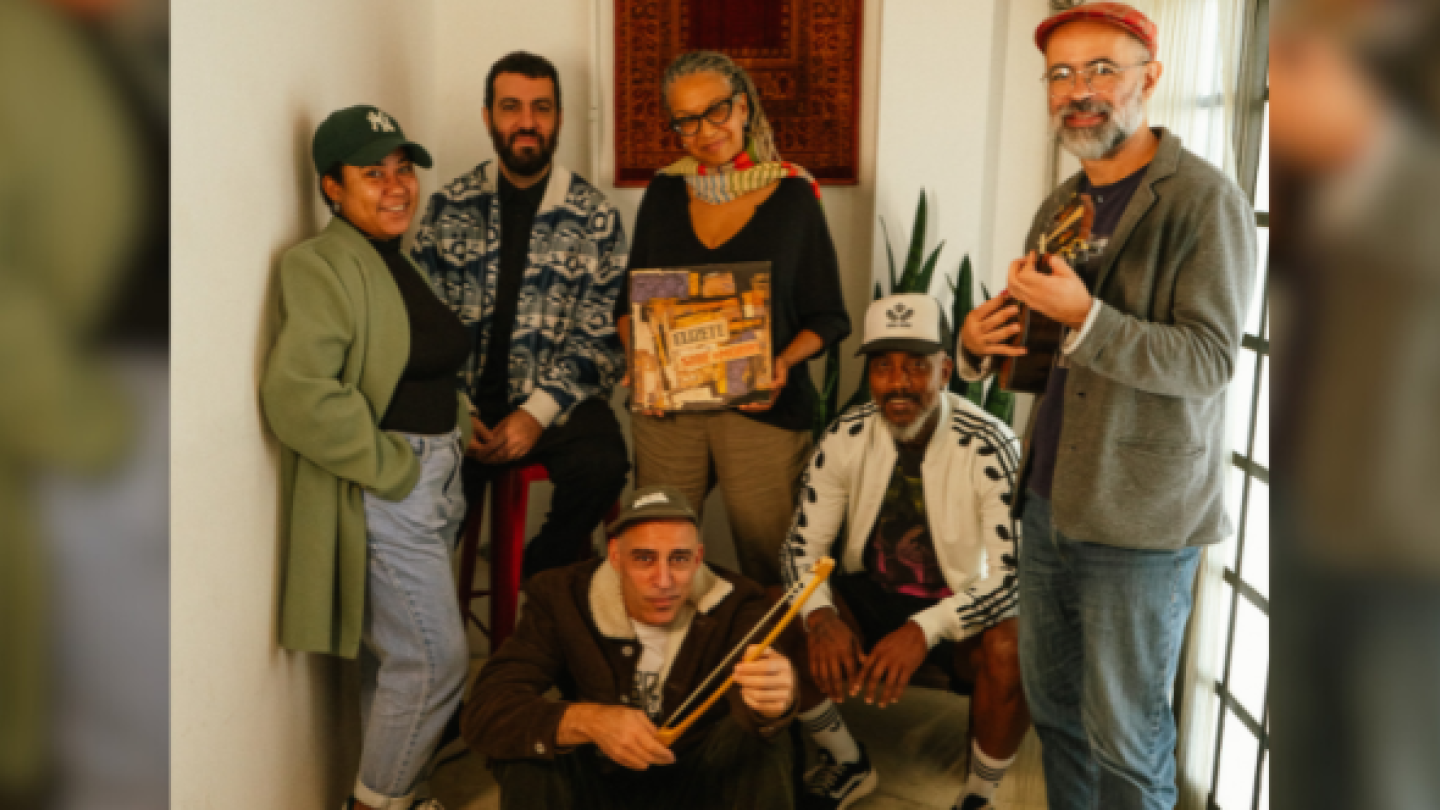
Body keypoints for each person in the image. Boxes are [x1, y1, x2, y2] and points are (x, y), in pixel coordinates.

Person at [958, 5, 1256, 808]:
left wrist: (1083, 316)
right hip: (1050, 501)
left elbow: (1208, 360)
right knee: (1057, 718)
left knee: (1126, 740)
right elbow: (1046, 358)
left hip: (1142, 522)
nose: (1077, 92)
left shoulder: (1204, 201)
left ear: (1149, 79)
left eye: (1101, 70)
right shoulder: (1062, 202)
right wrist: (982, 346)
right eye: (1061, 74)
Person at [261, 106, 473, 810]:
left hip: (436, 479)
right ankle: (376, 805)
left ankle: (401, 793)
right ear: (331, 186)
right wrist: (394, 468)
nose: (396, 187)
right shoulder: (319, 264)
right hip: (395, 488)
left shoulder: (395, 260)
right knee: (435, 661)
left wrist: (463, 426)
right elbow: (297, 394)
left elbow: (422, 364)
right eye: (373, 173)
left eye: (403, 170)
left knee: (398, 665)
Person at [616, 49, 852, 589]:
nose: (705, 130)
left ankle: (779, 668)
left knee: (773, 563)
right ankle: (664, 670)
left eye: (716, 110)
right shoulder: (663, 192)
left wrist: (783, 362)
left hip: (761, 409)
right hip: (668, 413)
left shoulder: (794, 194)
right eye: (687, 120)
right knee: (658, 564)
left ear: (743, 107)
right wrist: (639, 357)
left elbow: (828, 315)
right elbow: (630, 304)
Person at [782, 295, 1028, 810]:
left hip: (958, 607)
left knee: (1013, 645)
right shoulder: (844, 436)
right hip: (873, 594)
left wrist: (924, 629)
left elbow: (1009, 580)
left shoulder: (990, 444)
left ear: (944, 370)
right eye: (884, 366)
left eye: (917, 366)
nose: (899, 383)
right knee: (778, 620)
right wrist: (823, 615)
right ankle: (847, 761)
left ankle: (979, 796)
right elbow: (799, 550)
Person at [411, 51, 629, 578]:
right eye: (511, 107)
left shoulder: (594, 216)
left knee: (605, 463)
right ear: (487, 117)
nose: (527, 122)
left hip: (555, 404)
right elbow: (420, 325)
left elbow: (603, 340)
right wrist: (461, 409)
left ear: (558, 118)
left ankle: (542, 566)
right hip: (461, 406)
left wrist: (536, 412)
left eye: (542, 108)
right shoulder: (447, 207)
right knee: (421, 510)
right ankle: (433, 632)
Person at [462, 485, 799, 809]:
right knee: (530, 746)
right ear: (615, 557)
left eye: (679, 559)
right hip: (597, 783)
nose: (664, 580)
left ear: (698, 558)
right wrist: (587, 720)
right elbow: (486, 711)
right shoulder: (561, 594)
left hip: (697, 784)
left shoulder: (739, 601)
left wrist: (774, 703)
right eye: (644, 559)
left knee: (765, 741)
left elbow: (758, 693)